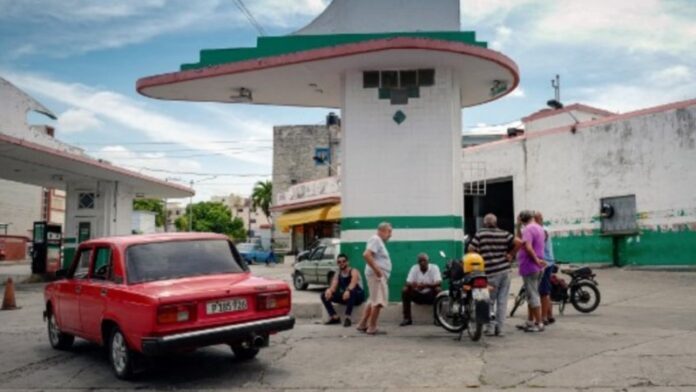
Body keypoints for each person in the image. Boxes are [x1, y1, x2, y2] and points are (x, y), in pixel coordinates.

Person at [468, 213, 521, 336]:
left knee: (489, 301)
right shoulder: (504, 233)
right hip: (505, 271)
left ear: (485, 223)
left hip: (490, 272)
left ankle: (490, 329)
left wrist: (480, 255)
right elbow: (519, 242)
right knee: (502, 301)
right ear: (495, 222)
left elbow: (471, 249)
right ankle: (500, 329)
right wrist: (511, 255)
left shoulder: (481, 233)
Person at [357, 222, 392, 335]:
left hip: (377, 275)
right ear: (382, 230)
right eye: (389, 231)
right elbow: (366, 254)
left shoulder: (378, 241)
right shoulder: (376, 239)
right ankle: (372, 327)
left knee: (372, 300)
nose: (390, 235)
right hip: (376, 275)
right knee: (378, 301)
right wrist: (378, 271)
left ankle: (362, 324)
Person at [516, 210, 547, 332]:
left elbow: (528, 247)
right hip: (538, 266)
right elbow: (521, 240)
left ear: (522, 220)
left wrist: (536, 260)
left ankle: (538, 323)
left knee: (533, 295)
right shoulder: (539, 228)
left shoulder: (528, 229)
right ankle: (530, 320)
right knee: (531, 293)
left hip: (530, 265)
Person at [320, 253, 365, 327]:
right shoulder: (338, 273)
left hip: (357, 296)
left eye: (344, 261)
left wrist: (348, 290)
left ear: (347, 262)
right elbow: (333, 286)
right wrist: (329, 291)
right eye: (339, 262)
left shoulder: (354, 271)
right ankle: (334, 317)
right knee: (323, 295)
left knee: (352, 291)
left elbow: (353, 283)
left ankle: (348, 317)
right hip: (346, 296)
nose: (342, 263)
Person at [399, 253, 442, 326]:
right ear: (418, 262)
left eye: (424, 260)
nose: (422, 262)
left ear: (428, 261)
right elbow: (408, 282)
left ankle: (437, 319)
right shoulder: (414, 268)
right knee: (405, 290)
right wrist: (415, 285)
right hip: (417, 295)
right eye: (420, 261)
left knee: (438, 290)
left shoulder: (434, 267)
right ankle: (407, 319)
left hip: (430, 295)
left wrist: (426, 285)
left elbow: (439, 282)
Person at [534, 211, 556, 325]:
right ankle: (550, 315)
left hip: (545, 264)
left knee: (543, 291)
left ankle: (544, 317)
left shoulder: (543, 231)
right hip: (548, 262)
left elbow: (539, 244)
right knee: (546, 290)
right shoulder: (544, 229)